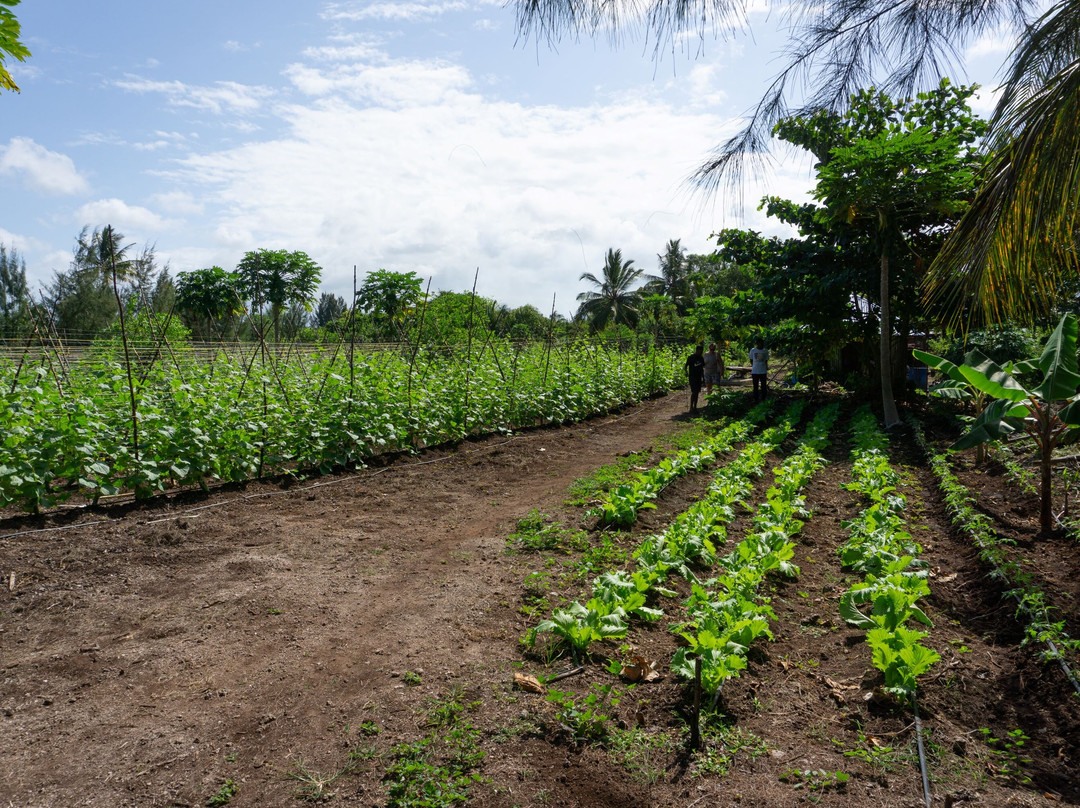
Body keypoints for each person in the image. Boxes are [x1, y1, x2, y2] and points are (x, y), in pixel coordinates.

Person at [685, 343, 705, 413]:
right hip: (692, 377)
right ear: (696, 350)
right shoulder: (691, 357)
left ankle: (695, 407)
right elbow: (686, 366)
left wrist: (703, 378)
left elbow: (702, 368)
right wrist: (686, 372)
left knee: (697, 392)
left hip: (698, 377)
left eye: (701, 351)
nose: (700, 352)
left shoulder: (701, 358)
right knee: (694, 392)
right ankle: (691, 406)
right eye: (699, 351)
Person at [749, 338, 769, 402]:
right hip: (755, 371)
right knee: (755, 386)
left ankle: (763, 399)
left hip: (763, 371)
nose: (761, 345)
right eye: (759, 343)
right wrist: (754, 366)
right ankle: (756, 399)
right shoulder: (753, 350)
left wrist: (766, 368)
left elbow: (766, 361)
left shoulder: (765, 351)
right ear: (757, 344)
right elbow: (751, 360)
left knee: (763, 386)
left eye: (762, 343)